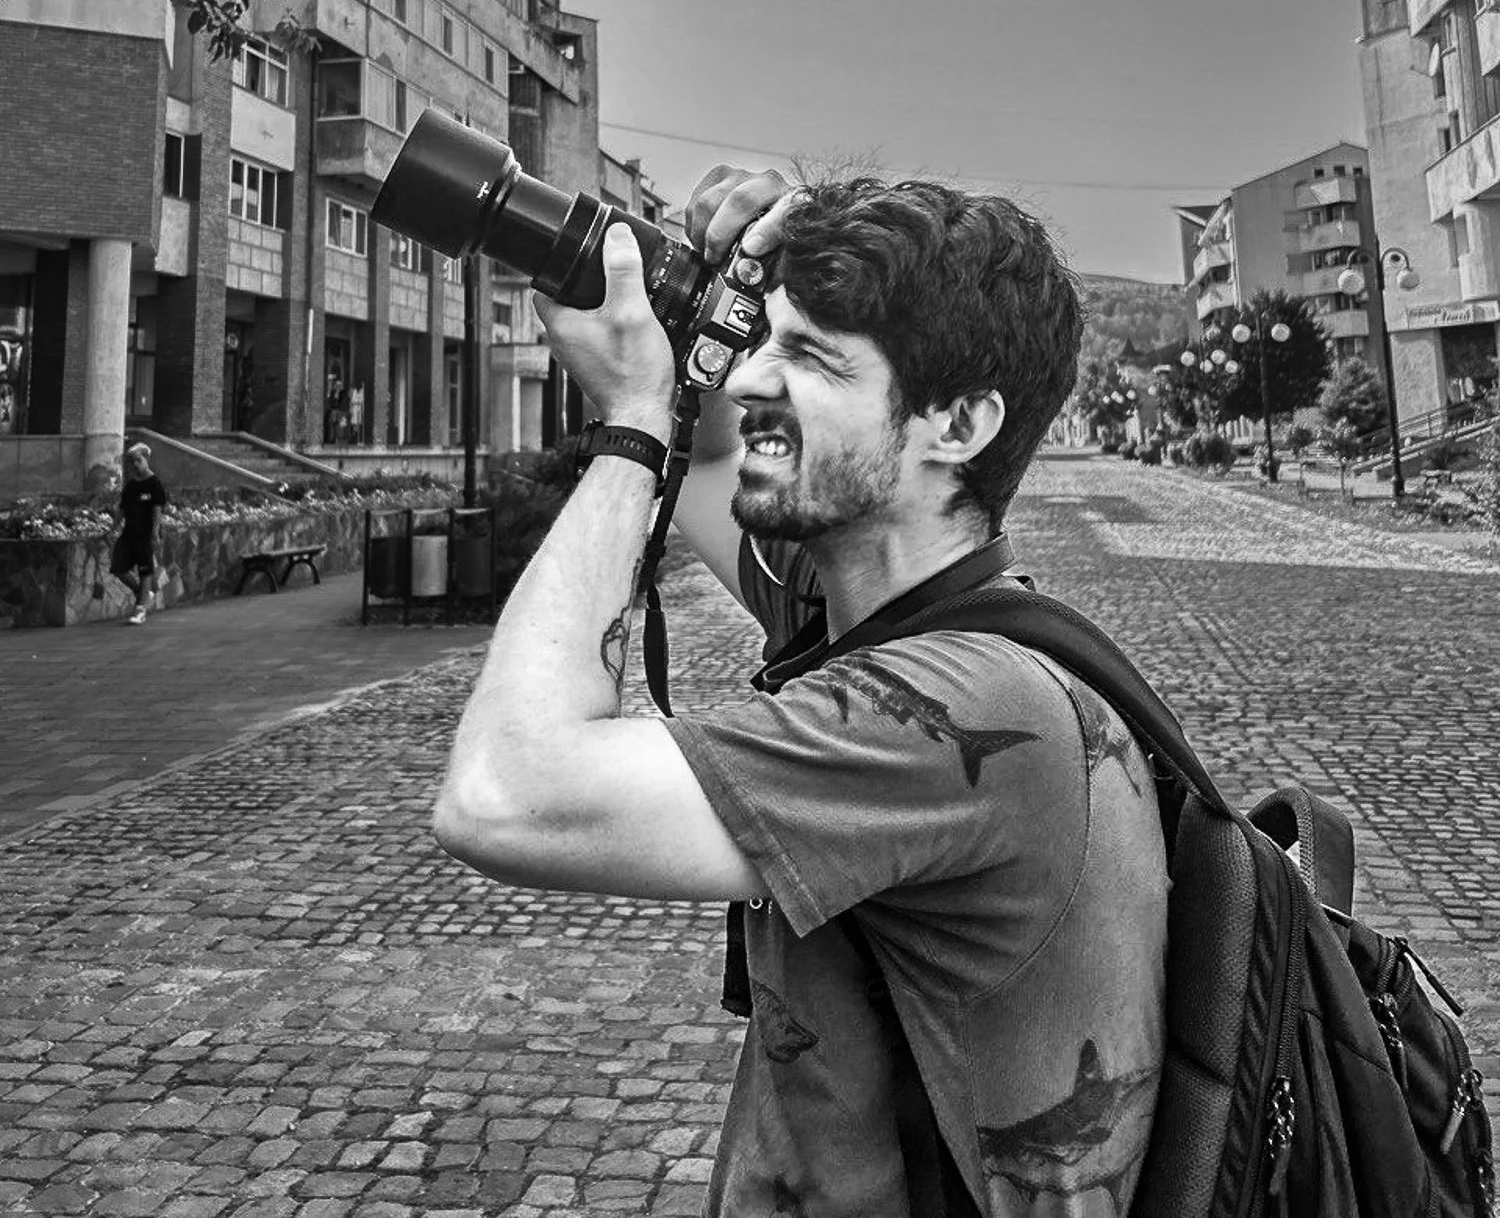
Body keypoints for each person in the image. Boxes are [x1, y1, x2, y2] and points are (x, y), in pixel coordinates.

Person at [432, 168, 1168, 1216]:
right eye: (765, 343)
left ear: (956, 422)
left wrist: (635, 419)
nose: (750, 381)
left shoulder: (960, 703)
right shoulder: (881, 608)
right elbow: (713, 464)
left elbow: (503, 790)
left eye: (813, 356)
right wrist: (707, 308)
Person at [114, 441, 169, 626]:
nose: (135, 465)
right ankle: (142, 594)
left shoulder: (154, 484)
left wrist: (154, 533)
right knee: (119, 568)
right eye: (132, 462)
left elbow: (157, 511)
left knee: (146, 571)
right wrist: (112, 527)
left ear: (146, 459)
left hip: (145, 535)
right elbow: (122, 509)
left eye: (138, 460)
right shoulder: (130, 486)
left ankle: (140, 610)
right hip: (128, 533)